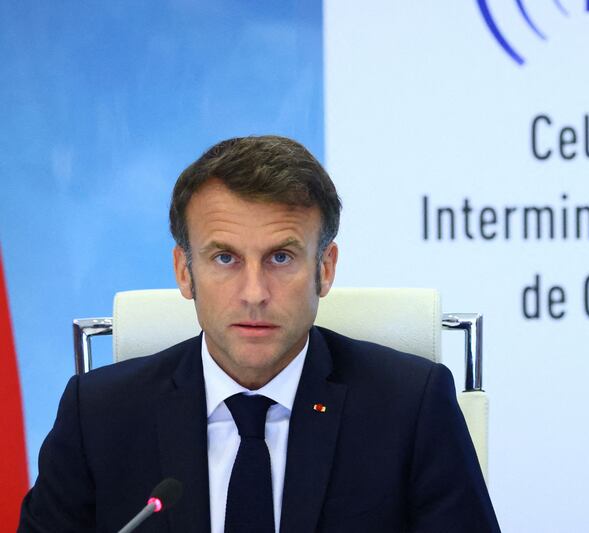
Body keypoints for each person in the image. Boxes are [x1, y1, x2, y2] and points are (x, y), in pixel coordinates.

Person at [18, 136, 500, 532]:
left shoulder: (409, 407)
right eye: (224, 258)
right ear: (185, 272)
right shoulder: (100, 416)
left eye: (281, 257)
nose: (254, 293)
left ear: (324, 269)